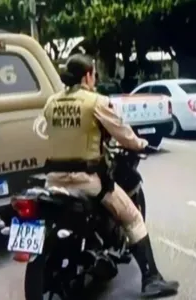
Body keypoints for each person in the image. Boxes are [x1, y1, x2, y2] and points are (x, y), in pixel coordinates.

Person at [41, 53, 179, 298]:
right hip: (86, 181)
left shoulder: (50, 103)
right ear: (88, 75)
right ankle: (151, 279)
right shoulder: (96, 101)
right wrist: (139, 143)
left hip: (53, 180)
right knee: (133, 218)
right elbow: (122, 133)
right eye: (93, 74)